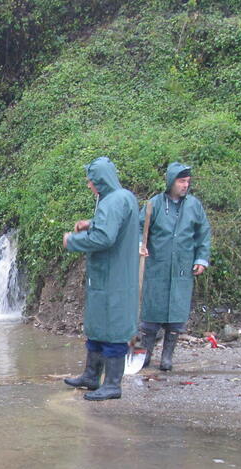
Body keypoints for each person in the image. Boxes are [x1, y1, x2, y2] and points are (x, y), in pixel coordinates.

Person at [62, 156, 139, 400]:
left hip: (113, 277)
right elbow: (111, 225)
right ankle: (91, 376)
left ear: (101, 181)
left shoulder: (112, 201)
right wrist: (91, 223)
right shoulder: (123, 197)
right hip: (109, 276)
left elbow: (104, 238)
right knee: (98, 327)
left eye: (91, 181)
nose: (89, 185)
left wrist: (72, 241)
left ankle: (113, 384)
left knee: (113, 329)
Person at [138, 162, 211, 371]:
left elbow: (203, 234)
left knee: (176, 314)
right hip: (157, 267)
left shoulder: (194, 206)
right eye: (181, 181)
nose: (185, 185)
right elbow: (139, 227)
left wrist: (201, 259)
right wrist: (141, 244)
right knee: (151, 313)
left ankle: (167, 357)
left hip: (182, 268)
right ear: (171, 182)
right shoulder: (154, 204)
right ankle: (145, 354)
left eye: (187, 181)